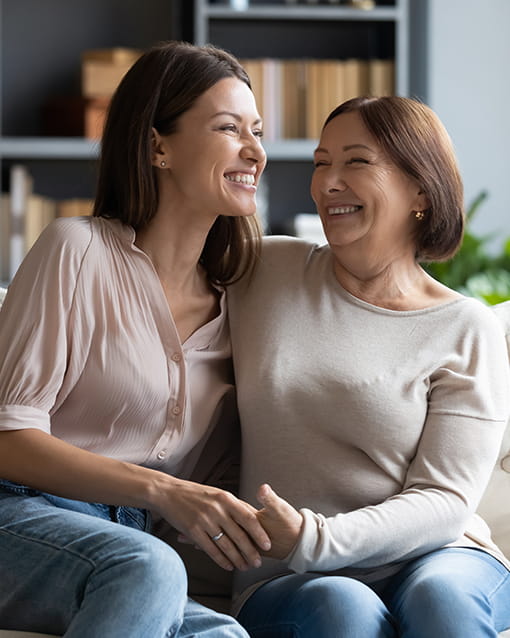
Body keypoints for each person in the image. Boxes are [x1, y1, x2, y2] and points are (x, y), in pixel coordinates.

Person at [0, 40, 269, 637]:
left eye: (258, 131)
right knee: (148, 567)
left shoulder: (241, 302)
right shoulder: (78, 250)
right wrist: (165, 491)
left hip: (127, 543)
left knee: (226, 635)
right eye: (230, 128)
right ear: (157, 146)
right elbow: (9, 439)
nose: (256, 150)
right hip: (18, 512)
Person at [227, 96, 510, 637]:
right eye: (320, 162)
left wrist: (316, 537)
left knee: (442, 598)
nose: (328, 181)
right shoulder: (264, 269)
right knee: (342, 608)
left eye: (356, 161)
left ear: (420, 190)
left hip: (440, 556)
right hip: (289, 575)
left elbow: (444, 499)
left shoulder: (464, 328)